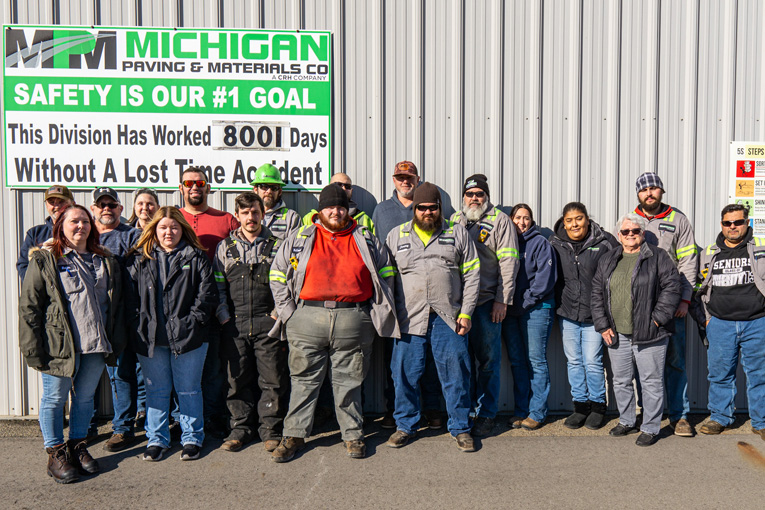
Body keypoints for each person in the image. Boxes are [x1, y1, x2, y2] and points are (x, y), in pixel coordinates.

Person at [268, 183, 399, 462]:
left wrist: (373, 309)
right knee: (303, 380)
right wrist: (288, 312)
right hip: (306, 318)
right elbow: (277, 274)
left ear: (347, 209)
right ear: (320, 210)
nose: (336, 211)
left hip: (354, 318)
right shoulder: (300, 236)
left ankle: (352, 434)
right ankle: (293, 434)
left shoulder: (366, 237)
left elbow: (386, 271)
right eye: (330, 206)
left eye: (340, 206)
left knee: (349, 382)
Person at [19, 204, 126, 483]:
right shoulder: (45, 258)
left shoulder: (104, 259)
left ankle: (78, 445)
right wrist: (32, 347)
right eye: (74, 222)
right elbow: (30, 306)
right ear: (61, 226)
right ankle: (55, 452)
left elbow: (114, 304)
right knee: (55, 399)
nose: (81, 226)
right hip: (59, 345)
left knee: (85, 398)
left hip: (95, 343)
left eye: (85, 222)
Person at [385, 182, 480, 452]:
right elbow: (385, 278)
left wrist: (466, 313)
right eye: (422, 207)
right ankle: (405, 425)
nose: (428, 212)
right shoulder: (396, 236)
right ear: (414, 208)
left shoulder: (457, 232)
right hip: (409, 318)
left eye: (432, 207)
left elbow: (473, 275)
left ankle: (460, 427)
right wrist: (390, 314)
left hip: (449, 317)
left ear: (440, 208)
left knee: (456, 374)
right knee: (404, 374)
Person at [125, 206, 217, 461]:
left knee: (188, 390)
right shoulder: (138, 259)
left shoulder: (196, 257)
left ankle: (191, 438)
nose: (169, 232)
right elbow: (129, 299)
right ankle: (157, 439)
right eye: (163, 227)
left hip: (190, 337)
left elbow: (207, 295)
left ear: (182, 229)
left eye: (174, 227)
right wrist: (138, 325)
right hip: (150, 338)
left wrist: (193, 323)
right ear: (153, 229)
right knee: (157, 391)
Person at [591, 213, 682, 447]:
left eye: (635, 231)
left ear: (643, 234)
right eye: (625, 232)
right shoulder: (609, 259)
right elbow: (597, 294)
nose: (630, 235)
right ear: (619, 235)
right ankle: (627, 420)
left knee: (650, 381)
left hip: (650, 333)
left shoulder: (658, 257)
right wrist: (602, 325)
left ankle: (650, 427)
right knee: (620, 380)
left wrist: (656, 320)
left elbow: (672, 289)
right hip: (616, 332)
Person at [214, 192, 289, 453]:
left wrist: (278, 313)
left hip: (266, 322)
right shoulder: (225, 248)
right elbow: (218, 285)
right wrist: (223, 313)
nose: (250, 217)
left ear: (262, 214)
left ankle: (271, 429)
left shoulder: (278, 245)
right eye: (245, 213)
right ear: (237, 216)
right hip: (234, 323)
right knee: (236, 379)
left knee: (272, 380)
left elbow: (288, 283)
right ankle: (240, 429)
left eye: (255, 212)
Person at [371, 161, 443, 429]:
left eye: (409, 177)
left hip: (431, 301)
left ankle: (433, 409)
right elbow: (378, 253)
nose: (405, 181)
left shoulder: (430, 210)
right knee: (397, 364)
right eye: (400, 177)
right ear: (393, 180)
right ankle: (394, 410)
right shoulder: (382, 210)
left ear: (418, 179)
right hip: (398, 302)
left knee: (432, 362)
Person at [448, 174, 519, 436]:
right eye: (470, 194)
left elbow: (509, 264)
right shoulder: (455, 220)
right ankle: (465, 412)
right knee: (461, 362)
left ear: (486, 196)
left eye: (479, 193)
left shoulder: (500, 221)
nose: (474, 198)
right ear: (464, 197)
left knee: (488, 361)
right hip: (457, 305)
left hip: (487, 302)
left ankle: (486, 413)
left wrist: (502, 299)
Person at [634, 172, 699, 437]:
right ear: (638, 194)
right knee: (643, 361)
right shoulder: (630, 220)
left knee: (675, 360)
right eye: (644, 190)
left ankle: (679, 416)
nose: (649, 193)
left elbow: (689, 261)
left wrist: (685, 299)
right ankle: (648, 412)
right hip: (640, 305)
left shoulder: (678, 219)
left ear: (662, 191)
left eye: (654, 189)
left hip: (673, 303)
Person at [178, 167, 240, 438]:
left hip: (216, 305)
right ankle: (181, 420)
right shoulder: (172, 218)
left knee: (214, 367)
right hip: (179, 305)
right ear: (181, 188)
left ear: (208, 187)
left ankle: (213, 417)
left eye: (200, 182)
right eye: (189, 183)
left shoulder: (226, 220)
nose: (195, 187)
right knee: (179, 368)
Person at [695, 204, 765, 439]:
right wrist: (707, 320)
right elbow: (698, 287)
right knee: (720, 374)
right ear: (722, 225)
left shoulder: (761, 250)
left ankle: (761, 421)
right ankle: (720, 418)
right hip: (720, 323)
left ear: (747, 223)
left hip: (757, 322)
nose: (732, 227)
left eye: (738, 222)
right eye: (728, 223)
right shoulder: (709, 252)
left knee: (759, 374)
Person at [549, 202, 618, 430]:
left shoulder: (604, 242)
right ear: (563, 223)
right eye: (569, 220)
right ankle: (580, 406)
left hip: (595, 315)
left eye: (578, 218)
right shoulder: (555, 243)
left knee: (592, 360)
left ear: (587, 219)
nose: (574, 224)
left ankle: (598, 406)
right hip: (567, 313)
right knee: (574, 361)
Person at [89, 187, 144, 452]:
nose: (107, 209)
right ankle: (83, 429)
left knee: (121, 373)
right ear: (93, 209)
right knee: (88, 376)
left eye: (112, 204)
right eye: (102, 205)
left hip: (121, 317)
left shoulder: (132, 236)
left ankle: (123, 428)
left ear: (121, 209)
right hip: (89, 317)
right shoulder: (82, 236)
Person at [502, 204, 557, 430]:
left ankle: (538, 412)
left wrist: (523, 303)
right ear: (510, 220)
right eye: (517, 218)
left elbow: (544, 281)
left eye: (526, 218)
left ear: (532, 220)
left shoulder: (541, 243)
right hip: (510, 310)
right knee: (517, 361)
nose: (522, 222)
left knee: (536, 361)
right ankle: (521, 410)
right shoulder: (505, 242)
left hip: (536, 309)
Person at [17, 185, 74, 281]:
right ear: (46, 205)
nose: (56, 206)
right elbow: (23, 266)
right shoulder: (35, 233)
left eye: (61, 201)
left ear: (73, 204)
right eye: (51, 202)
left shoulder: (82, 230)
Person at [302, 173, 375, 232]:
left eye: (347, 186)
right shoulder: (311, 218)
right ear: (329, 187)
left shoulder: (364, 219)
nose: (343, 189)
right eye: (338, 185)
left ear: (351, 190)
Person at [251, 163, 301, 240]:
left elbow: (296, 248)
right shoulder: (247, 216)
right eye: (264, 186)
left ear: (280, 191)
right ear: (255, 189)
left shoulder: (291, 218)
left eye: (274, 187)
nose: (269, 191)